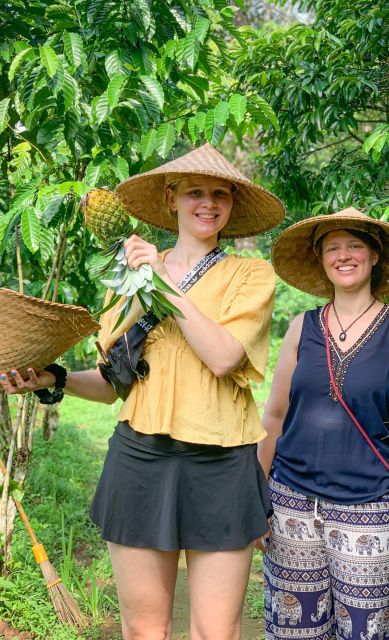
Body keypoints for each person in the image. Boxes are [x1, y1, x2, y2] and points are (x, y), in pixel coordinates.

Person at [0, 143, 285, 640]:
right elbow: (115, 383)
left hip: (221, 465)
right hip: (141, 459)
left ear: (233, 203)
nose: (208, 203)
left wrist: (161, 278)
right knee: (144, 628)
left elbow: (222, 357)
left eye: (221, 193)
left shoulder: (249, 275)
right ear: (172, 198)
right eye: (195, 192)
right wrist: (56, 378)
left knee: (217, 631)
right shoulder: (129, 276)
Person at [257, 208, 389, 640]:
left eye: (354, 246)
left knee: (370, 633)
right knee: (295, 629)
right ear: (321, 259)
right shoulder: (302, 328)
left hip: (368, 507)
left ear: (373, 256)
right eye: (333, 247)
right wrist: (255, 495)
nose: (343, 255)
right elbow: (274, 416)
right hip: (292, 504)